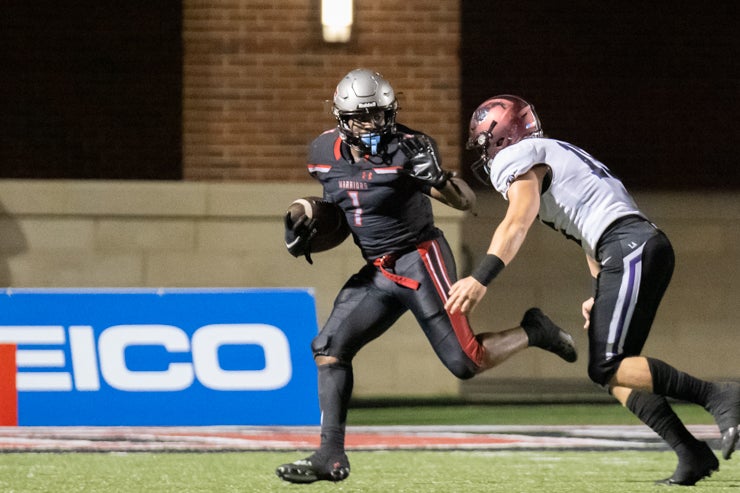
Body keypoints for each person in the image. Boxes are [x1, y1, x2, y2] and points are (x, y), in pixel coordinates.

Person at [276, 71, 578, 484]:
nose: (376, 124)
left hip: (420, 258)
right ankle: (330, 457)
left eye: (382, 114)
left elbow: (465, 201)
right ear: (343, 119)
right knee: (329, 347)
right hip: (379, 270)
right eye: (365, 118)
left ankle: (534, 330)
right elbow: (347, 209)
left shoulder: (409, 148)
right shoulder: (321, 153)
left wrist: (440, 178)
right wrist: (310, 227)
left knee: (465, 362)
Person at [445, 95, 740, 486]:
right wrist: (599, 287)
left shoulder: (517, 160)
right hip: (631, 246)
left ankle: (718, 395)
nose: (485, 154)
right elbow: (592, 230)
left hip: (629, 247)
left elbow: (518, 221)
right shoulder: (556, 151)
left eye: (485, 143)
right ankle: (692, 452)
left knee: (606, 364)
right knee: (614, 372)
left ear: (499, 137)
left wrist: (481, 276)